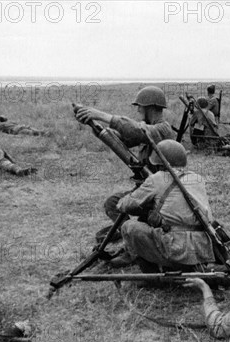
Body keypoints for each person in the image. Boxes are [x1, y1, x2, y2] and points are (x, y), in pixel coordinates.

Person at [75, 86, 175, 241]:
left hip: (162, 196)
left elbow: (137, 131)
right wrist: (95, 126)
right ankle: (132, 240)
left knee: (127, 209)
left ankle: (135, 246)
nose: (138, 110)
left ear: (150, 107)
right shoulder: (149, 128)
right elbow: (123, 139)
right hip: (147, 189)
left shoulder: (163, 129)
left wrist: (101, 115)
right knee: (113, 203)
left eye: (140, 106)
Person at [108, 140, 216, 272]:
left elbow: (125, 205)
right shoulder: (197, 178)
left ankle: (151, 276)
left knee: (129, 227)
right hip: (201, 250)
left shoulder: (157, 179)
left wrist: (135, 197)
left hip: (176, 250)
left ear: (158, 163)